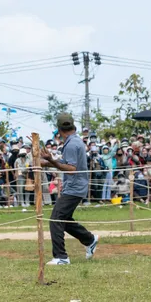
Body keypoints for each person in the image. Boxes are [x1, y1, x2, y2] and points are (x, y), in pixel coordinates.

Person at [42, 112, 98, 265]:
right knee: (63, 219)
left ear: (59, 130)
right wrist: (47, 162)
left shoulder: (72, 144)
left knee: (55, 219)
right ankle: (89, 239)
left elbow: (71, 168)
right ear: (73, 126)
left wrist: (51, 162)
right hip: (76, 186)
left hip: (74, 187)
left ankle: (61, 257)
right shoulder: (75, 141)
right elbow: (66, 162)